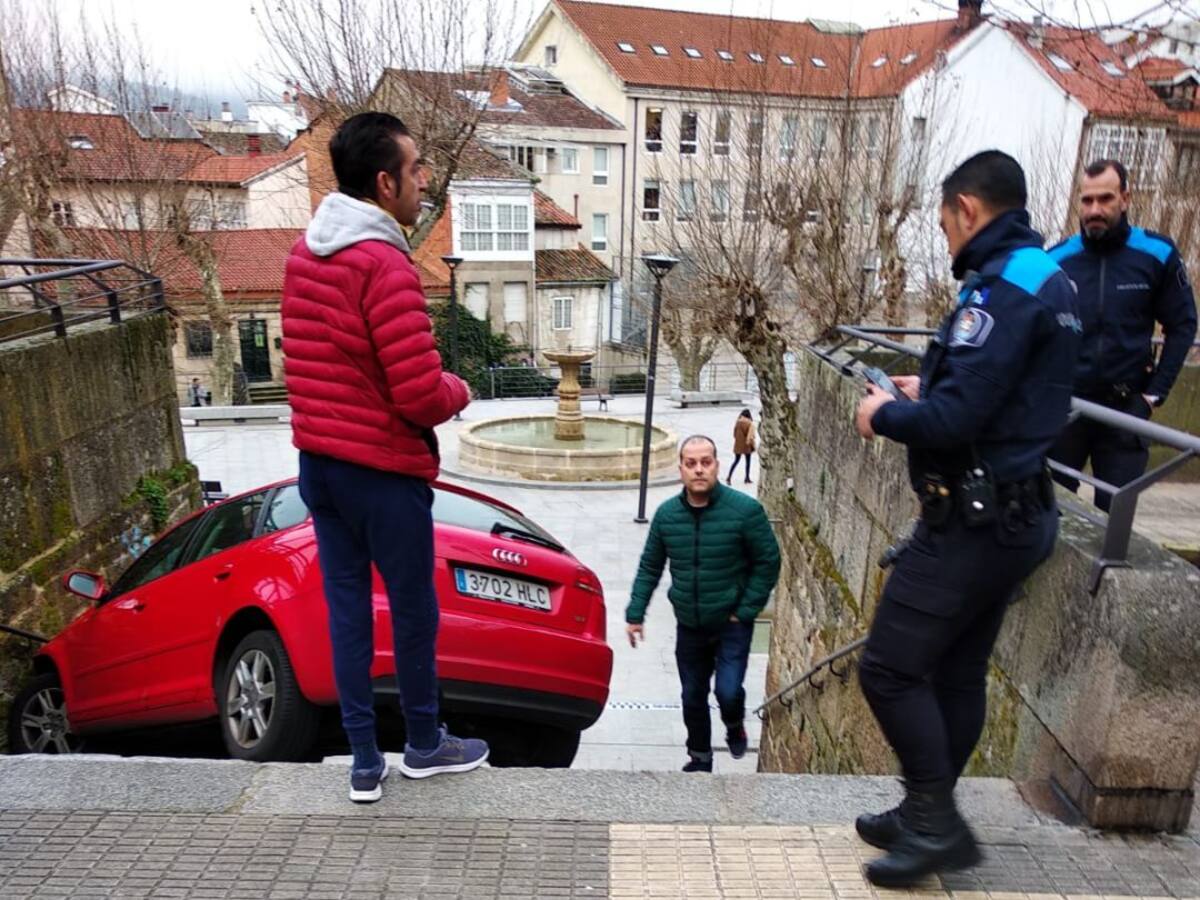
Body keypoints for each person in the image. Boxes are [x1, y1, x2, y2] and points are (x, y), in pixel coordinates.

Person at [852, 150, 1080, 886]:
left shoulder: (1003, 292)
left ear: (968, 210)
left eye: (945, 221)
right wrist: (933, 380)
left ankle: (933, 821)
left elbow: (955, 421)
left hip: (975, 523)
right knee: (955, 669)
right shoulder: (1045, 275)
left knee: (888, 668)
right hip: (1019, 512)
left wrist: (886, 413)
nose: (945, 238)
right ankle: (930, 804)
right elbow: (1000, 394)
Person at [281, 111, 487, 804]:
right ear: (382, 181)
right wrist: (462, 388)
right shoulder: (385, 264)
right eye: (416, 168)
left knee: (345, 607)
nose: (423, 181)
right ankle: (425, 744)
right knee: (412, 608)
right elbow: (418, 393)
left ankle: (365, 760)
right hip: (381, 471)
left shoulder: (304, 254)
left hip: (321, 465)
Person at [1047, 159, 1197, 511]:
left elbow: (1183, 324)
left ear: (1125, 199)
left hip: (1125, 409)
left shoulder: (1156, 254)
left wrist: (1154, 395)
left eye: (1105, 199)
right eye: (1087, 201)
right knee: (1051, 513)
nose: (1094, 209)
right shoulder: (1057, 259)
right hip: (1068, 406)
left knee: (1114, 520)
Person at [626, 435, 781, 773]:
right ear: (680, 468)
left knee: (727, 691)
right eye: (691, 463)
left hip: (732, 624)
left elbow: (769, 561)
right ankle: (700, 757)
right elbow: (650, 566)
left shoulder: (745, 511)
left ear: (716, 465)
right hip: (690, 625)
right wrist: (635, 614)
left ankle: (734, 724)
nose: (699, 470)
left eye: (706, 462)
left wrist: (745, 610)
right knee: (692, 697)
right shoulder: (667, 516)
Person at [726, 409, 756, 485]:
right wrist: (751, 443)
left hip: (738, 444)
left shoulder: (737, 422)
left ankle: (729, 476)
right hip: (746, 445)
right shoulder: (750, 423)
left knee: (736, 461)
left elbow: (734, 434)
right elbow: (750, 436)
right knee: (748, 462)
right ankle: (747, 478)